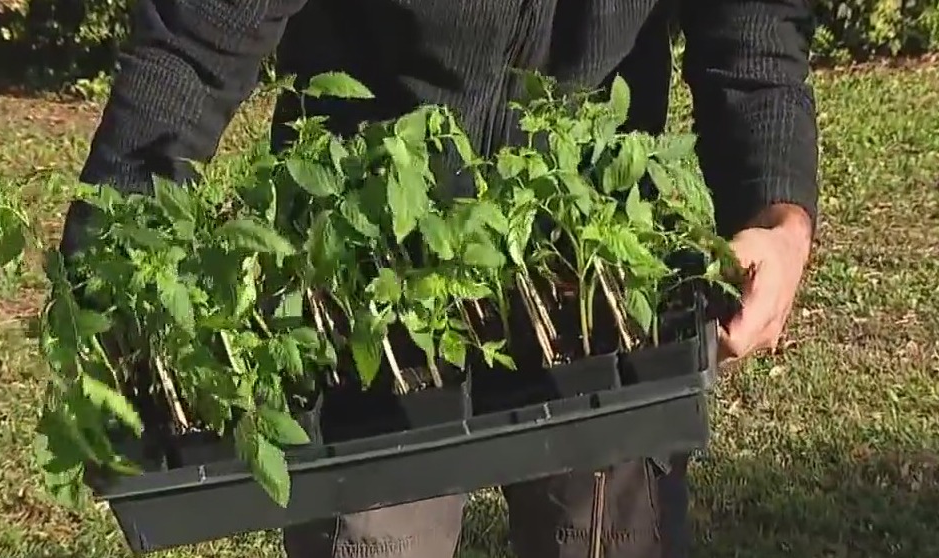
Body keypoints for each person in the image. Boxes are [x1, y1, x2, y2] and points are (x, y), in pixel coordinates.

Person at [60, 0, 818, 556]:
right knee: (372, 537)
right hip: (368, 275)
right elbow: (195, 43)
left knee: (606, 533)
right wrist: (103, 273)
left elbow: (750, 22)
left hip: (587, 264)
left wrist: (779, 209)